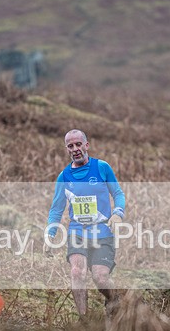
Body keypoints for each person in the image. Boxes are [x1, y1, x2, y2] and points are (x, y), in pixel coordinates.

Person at [45, 129, 126, 317]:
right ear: (67, 149)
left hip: (103, 232)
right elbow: (56, 209)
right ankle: (84, 320)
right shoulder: (64, 177)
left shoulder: (102, 167)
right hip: (77, 231)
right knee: (77, 272)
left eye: (78, 144)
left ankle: (115, 302)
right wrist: (50, 235)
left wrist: (117, 214)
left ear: (86, 145)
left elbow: (118, 194)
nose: (75, 149)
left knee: (100, 277)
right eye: (70, 146)